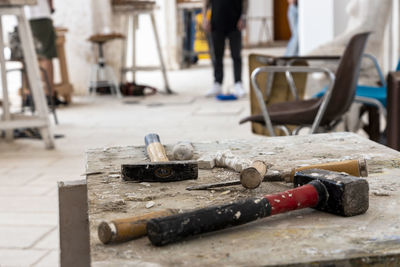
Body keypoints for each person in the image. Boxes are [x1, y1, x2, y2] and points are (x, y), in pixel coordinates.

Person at [202, 0, 248, 98]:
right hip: (216, 22)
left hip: (235, 24)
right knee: (217, 55)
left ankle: (238, 83)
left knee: (236, 55)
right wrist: (204, 18)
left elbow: (245, 1)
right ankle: (217, 83)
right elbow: (206, 3)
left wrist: (243, 17)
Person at [25, 0, 62, 104]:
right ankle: (48, 96)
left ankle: (29, 96)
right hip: (39, 13)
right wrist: (51, 7)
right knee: (45, 56)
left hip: (20, 14)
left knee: (26, 57)